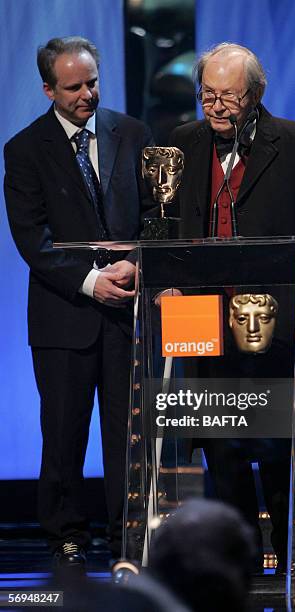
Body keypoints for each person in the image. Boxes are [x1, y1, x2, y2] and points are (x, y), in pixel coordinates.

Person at [168, 42, 295, 572]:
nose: (216, 107)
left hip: (273, 325)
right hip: (201, 323)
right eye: (208, 95)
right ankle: (236, 568)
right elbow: (167, 231)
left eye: (229, 97)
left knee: (276, 454)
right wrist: (167, 283)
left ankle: (294, 565)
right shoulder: (182, 144)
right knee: (221, 455)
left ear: (256, 95)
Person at [3, 36, 153, 568]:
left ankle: (127, 538)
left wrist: (136, 262)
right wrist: (91, 280)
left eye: (92, 81)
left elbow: (154, 216)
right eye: (74, 87)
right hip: (63, 316)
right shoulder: (24, 150)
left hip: (126, 313)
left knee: (127, 435)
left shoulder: (131, 133)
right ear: (49, 89)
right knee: (63, 435)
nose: (87, 93)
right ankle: (66, 536)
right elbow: (32, 239)